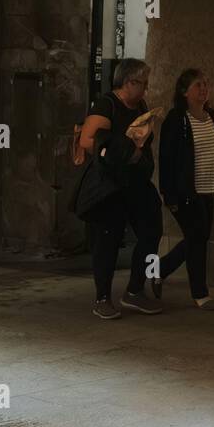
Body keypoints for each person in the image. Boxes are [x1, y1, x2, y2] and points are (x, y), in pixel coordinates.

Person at [76, 58, 164, 320]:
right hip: (110, 184)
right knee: (108, 240)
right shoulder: (107, 105)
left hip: (136, 181)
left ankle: (134, 291)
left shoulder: (141, 105)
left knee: (151, 230)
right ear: (128, 82)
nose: (145, 90)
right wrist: (125, 151)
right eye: (142, 84)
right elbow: (88, 140)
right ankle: (102, 297)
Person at [157, 68, 214, 310]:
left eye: (206, 84)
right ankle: (200, 293)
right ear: (185, 91)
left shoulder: (211, 116)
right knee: (197, 239)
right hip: (186, 191)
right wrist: (169, 194)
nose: (204, 89)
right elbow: (166, 159)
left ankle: (158, 271)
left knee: (198, 238)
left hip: (208, 189)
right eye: (198, 85)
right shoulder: (176, 120)